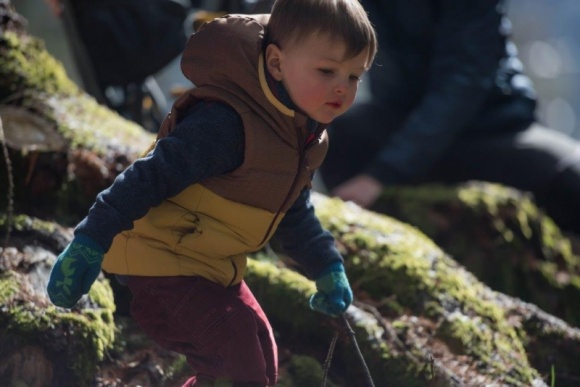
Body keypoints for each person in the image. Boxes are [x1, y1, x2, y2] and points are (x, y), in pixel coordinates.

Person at [46, 0, 377, 385]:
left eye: (355, 76)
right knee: (236, 363)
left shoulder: (303, 136)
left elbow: (292, 208)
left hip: (210, 268)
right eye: (327, 70)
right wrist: (90, 239)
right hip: (159, 263)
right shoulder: (227, 123)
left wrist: (326, 266)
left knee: (259, 352)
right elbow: (150, 175)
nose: (343, 87)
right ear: (275, 64)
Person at [318, 0, 580, 235]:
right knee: (335, 139)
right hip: (395, 121)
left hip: (492, 129)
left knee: (571, 179)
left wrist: (381, 174)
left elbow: (464, 84)